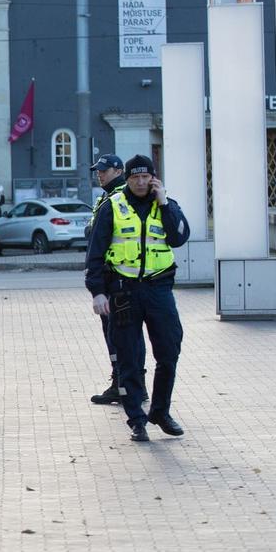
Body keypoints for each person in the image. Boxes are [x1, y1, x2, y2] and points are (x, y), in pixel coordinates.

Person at [84, 155, 190, 442]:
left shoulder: (166, 204)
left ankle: (160, 411)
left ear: (153, 178)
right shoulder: (113, 207)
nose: (141, 182)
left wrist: (165, 202)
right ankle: (136, 419)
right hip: (124, 291)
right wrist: (97, 292)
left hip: (158, 291)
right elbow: (94, 253)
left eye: (146, 177)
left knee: (169, 352)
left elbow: (179, 237)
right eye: (135, 178)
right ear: (127, 178)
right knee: (128, 358)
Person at [83, 154, 147, 407]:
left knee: (125, 333)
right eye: (98, 170)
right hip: (110, 276)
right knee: (114, 332)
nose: (100, 174)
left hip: (121, 278)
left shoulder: (120, 197)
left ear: (119, 171)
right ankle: (120, 380)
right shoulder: (106, 197)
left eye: (105, 170)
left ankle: (131, 384)